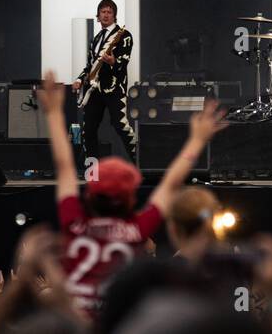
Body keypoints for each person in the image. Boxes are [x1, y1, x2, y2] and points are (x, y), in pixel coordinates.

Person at [37, 69, 228, 316]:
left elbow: (64, 167)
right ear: (130, 199)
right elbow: (170, 185)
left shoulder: (75, 223)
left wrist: (53, 114)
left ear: (91, 195)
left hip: (78, 327)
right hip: (119, 330)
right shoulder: (135, 230)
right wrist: (197, 140)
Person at [73, 0, 136, 161]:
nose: (106, 15)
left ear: (115, 16)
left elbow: (124, 61)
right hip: (95, 89)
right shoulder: (96, 39)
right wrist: (79, 80)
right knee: (88, 129)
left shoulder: (124, 35)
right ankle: (92, 171)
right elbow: (89, 66)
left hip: (114, 88)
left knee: (121, 126)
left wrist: (113, 61)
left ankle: (142, 165)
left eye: (109, 12)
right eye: (103, 12)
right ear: (98, 15)